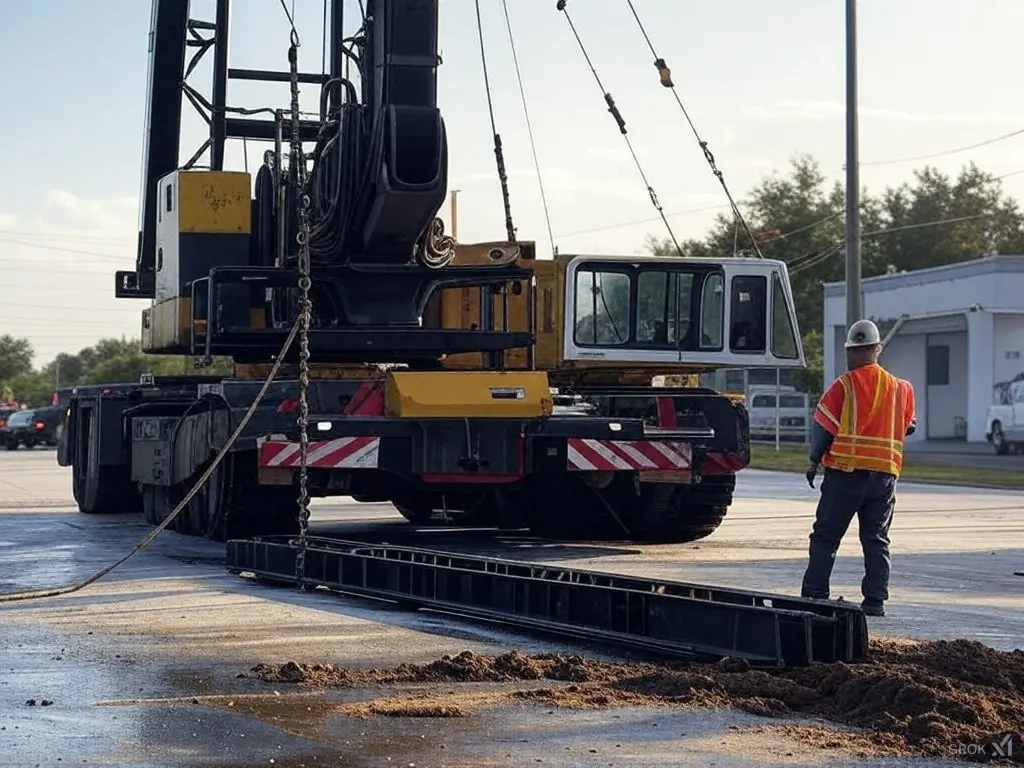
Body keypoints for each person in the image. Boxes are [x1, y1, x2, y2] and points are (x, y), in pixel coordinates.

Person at [800, 319, 917, 617]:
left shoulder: (844, 386)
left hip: (845, 475)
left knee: (826, 537)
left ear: (851, 351)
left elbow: (824, 428)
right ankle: (875, 601)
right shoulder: (902, 389)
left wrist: (814, 460)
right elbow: (909, 426)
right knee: (876, 540)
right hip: (884, 478)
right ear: (876, 349)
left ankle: (814, 596)